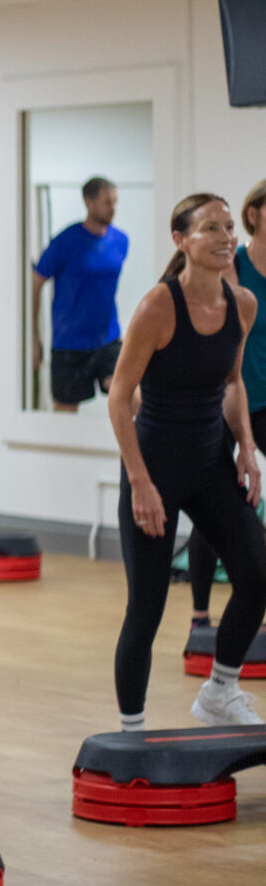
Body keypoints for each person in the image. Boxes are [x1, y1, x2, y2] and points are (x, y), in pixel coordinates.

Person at [108, 193, 266, 731]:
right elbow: (118, 397)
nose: (225, 237)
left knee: (258, 573)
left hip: (210, 462)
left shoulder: (242, 303)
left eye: (228, 227)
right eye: (210, 229)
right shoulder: (158, 305)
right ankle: (131, 731)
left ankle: (221, 689)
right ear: (181, 240)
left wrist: (246, 446)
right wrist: (139, 481)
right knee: (146, 608)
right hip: (154, 467)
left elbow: (233, 381)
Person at [186, 177, 266, 642]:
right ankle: (199, 611)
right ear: (255, 214)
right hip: (227, 398)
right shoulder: (231, 266)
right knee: (215, 501)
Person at [34, 178, 127, 411]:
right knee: (65, 414)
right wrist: (34, 336)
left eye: (115, 202)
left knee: (129, 398)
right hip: (69, 343)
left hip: (107, 338)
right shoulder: (65, 241)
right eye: (107, 202)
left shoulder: (120, 241)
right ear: (89, 202)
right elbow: (35, 283)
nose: (112, 208)